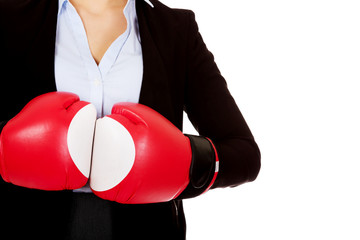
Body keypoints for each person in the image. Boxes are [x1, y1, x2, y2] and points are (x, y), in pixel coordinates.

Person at [0, 0, 261, 239]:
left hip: (147, 230)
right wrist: (6, 150)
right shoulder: (9, 19)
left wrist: (186, 162)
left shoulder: (176, 31)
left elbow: (245, 154)